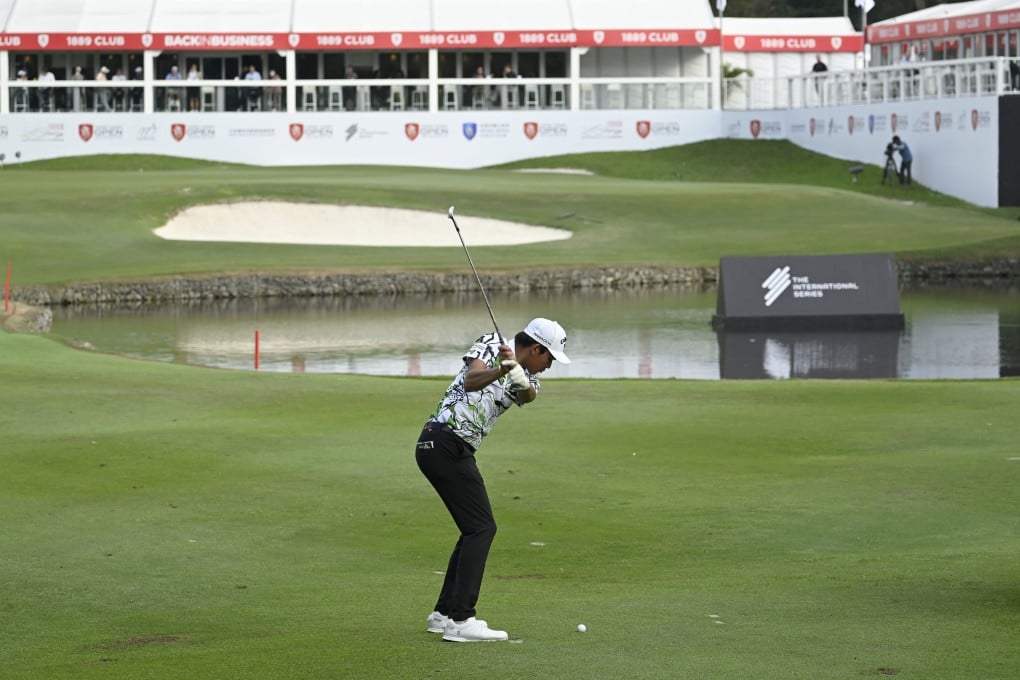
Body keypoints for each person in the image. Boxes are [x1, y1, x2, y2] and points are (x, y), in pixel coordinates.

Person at [416, 318, 571, 643]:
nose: (549, 365)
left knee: (472, 529)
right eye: (549, 358)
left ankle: (443, 614)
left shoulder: (529, 375)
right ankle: (461, 620)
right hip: (444, 442)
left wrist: (516, 373)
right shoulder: (490, 343)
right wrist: (502, 368)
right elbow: (472, 380)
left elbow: (528, 395)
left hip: (452, 449)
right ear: (536, 349)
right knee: (482, 528)